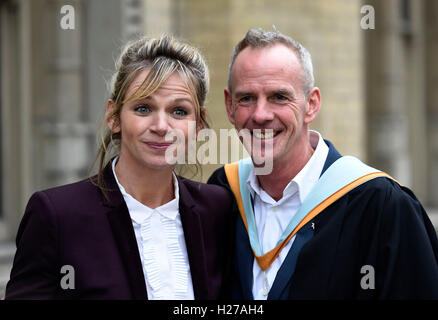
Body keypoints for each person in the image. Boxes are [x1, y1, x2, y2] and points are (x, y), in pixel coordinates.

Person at [208, 28, 438, 300]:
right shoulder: (222, 194)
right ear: (229, 106)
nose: (260, 115)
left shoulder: (382, 205)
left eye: (279, 97)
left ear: (312, 104)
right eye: (246, 98)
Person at [5, 35, 233, 300]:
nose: (161, 126)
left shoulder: (218, 210)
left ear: (199, 125)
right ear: (114, 117)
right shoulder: (56, 215)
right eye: (143, 108)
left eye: (179, 111)